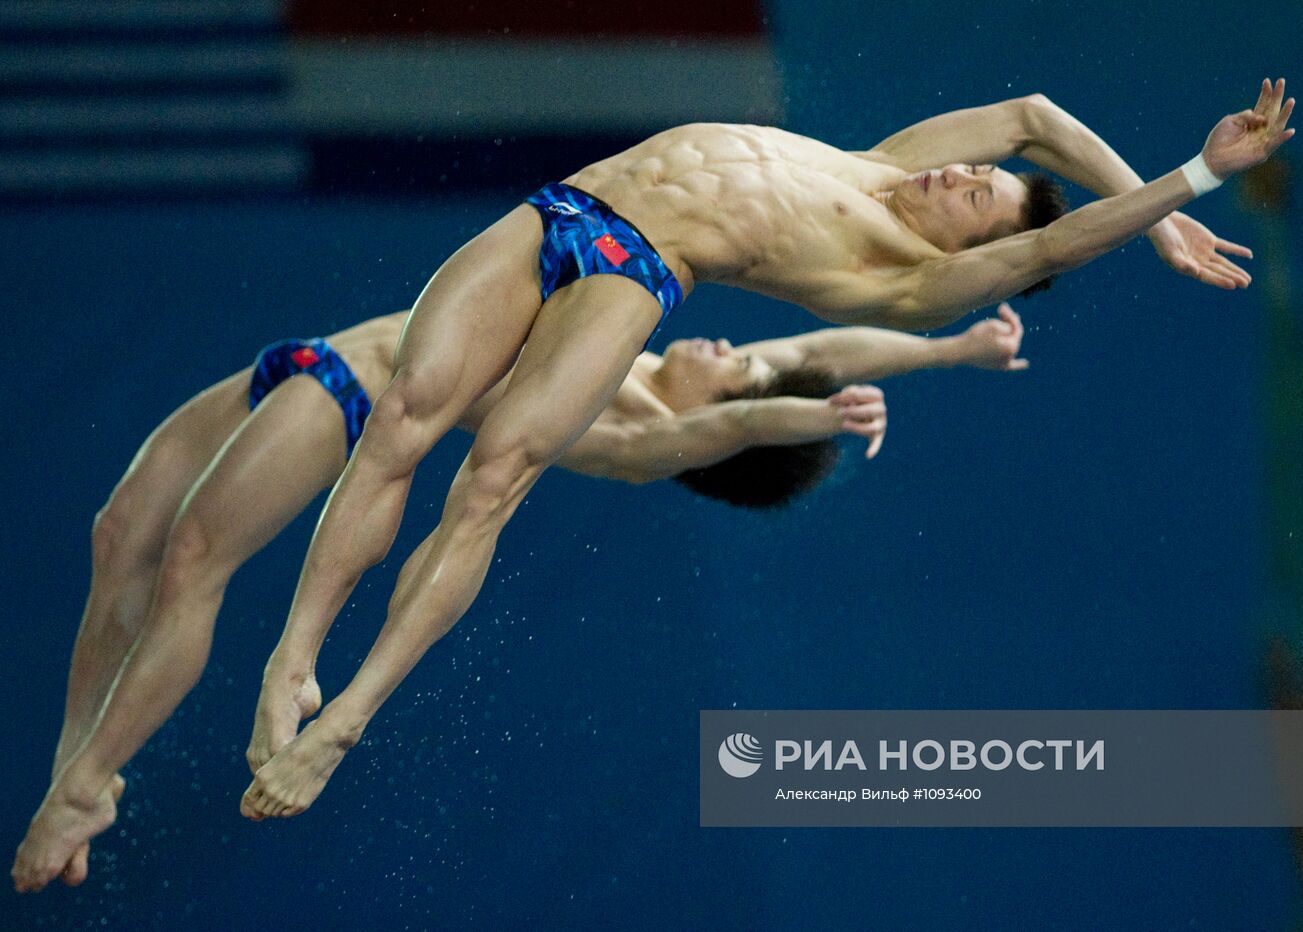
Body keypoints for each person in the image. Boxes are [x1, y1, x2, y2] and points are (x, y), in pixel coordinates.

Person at [230, 80, 1291, 824]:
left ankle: (349, 718)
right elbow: (1033, 118)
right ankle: (295, 661)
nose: (958, 174)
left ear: (971, 254)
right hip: (568, 204)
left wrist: (1194, 180)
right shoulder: (881, 164)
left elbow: (1053, 242)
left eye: (974, 198)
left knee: (491, 479)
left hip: (632, 267)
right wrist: (1159, 225)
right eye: (974, 173)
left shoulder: (912, 279)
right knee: (403, 415)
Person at [11, 303, 1032, 892]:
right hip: (316, 353)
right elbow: (823, 352)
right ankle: (75, 770)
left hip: (355, 395)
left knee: (192, 560)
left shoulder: (643, 431)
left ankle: (90, 782)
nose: (734, 349)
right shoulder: (645, 363)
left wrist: (809, 417)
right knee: (122, 534)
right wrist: (950, 349)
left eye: (738, 372)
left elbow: (744, 420)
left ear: (721, 431)